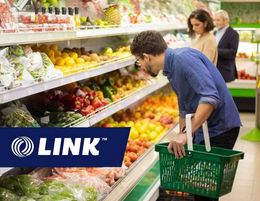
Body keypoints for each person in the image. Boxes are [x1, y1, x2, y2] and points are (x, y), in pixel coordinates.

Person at [130, 30, 241, 201]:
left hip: (220, 128)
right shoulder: (171, 67)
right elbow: (185, 106)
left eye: (138, 61)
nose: (141, 66)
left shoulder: (183, 59)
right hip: (205, 128)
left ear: (146, 57)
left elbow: (210, 98)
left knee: (205, 191)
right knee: (198, 189)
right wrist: (182, 133)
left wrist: (185, 135)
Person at [214, 10, 239, 82]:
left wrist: (215, 50)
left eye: (218, 20)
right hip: (215, 70)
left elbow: (232, 52)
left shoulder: (233, 34)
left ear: (226, 20)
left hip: (225, 72)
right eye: (214, 20)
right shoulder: (215, 32)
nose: (215, 23)